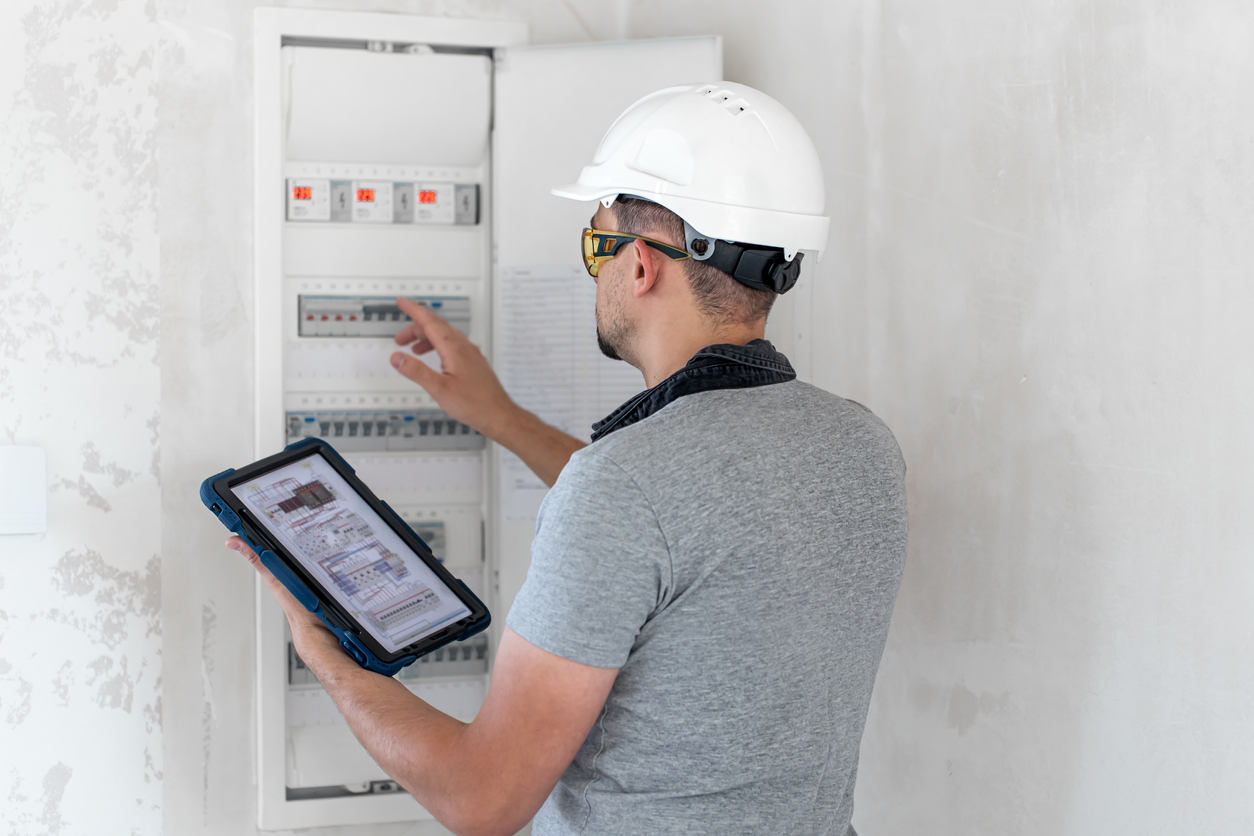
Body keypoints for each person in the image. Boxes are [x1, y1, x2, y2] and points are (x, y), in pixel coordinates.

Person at [227, 82, 907, 836]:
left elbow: (478, 799)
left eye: (597, 244)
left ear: (641, 265)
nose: (597, 271)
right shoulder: (863, 446)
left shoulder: (626, 488)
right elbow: (689, 516)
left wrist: (328, 655)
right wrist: (501, 418)